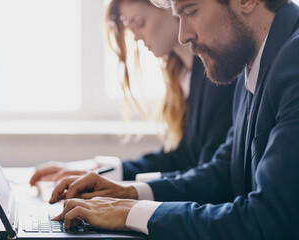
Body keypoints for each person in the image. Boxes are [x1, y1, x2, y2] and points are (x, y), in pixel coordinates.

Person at [48, 0, 299, 239]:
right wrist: (128, 193)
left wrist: (132, 213)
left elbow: (268, 221)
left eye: (190, 11)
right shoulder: (254, 63)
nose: (183, 36)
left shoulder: (292, 62)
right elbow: (221, 176)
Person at [29, 0, 235, 186]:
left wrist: (127, 192)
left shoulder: (219, 76)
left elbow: (205, 172)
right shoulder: (184, 76)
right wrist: (95, 170)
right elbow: (179, 158)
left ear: (170, 8)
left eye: (139, 22)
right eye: (130, 27)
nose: (136, 36)